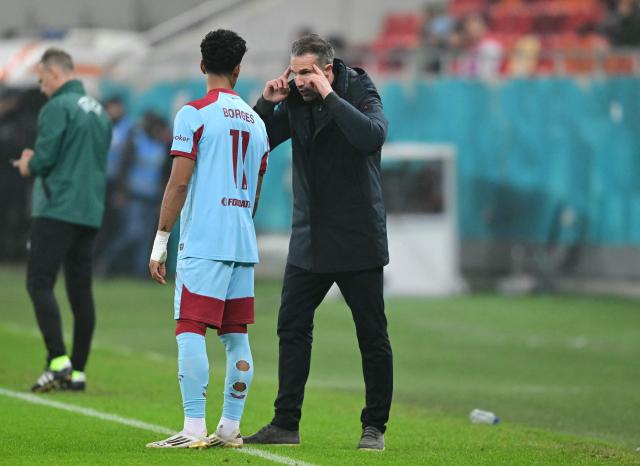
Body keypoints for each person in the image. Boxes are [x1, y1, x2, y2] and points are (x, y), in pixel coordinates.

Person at [244, 34, 392, 451]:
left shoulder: (359, 88)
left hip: (357, 235)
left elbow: (371, 138)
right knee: (291, 325)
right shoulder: (293, 98)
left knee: (371, 332)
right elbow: (259, 143)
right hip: (310, 236)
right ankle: (285, 423)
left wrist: (329, 97)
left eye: (307, 73)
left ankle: (374, 427)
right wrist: (266, 104)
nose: (299, 81)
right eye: (294, 72)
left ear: (327, 70)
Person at [146, 29, 269, 449]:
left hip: (204, 241)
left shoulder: (193, 113)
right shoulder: (257, 123)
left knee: (190, 328)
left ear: (202, 66)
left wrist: (161, 240)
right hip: (241, 241)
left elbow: (178, 184)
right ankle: (230, 428)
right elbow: (255, 192)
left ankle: (194, 428)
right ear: (239, 69)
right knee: (236, 334)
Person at [12, 48, 112, 392]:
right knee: (80, 292)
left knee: (39, 283)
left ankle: (57, 361)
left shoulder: (57, 107)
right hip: (90, 211)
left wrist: (28, 162)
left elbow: (45, 159)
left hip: (56, 209)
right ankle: (78, 371)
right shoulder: (99, 110)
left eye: (41, 80)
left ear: (55, 74)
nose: (41, 88)